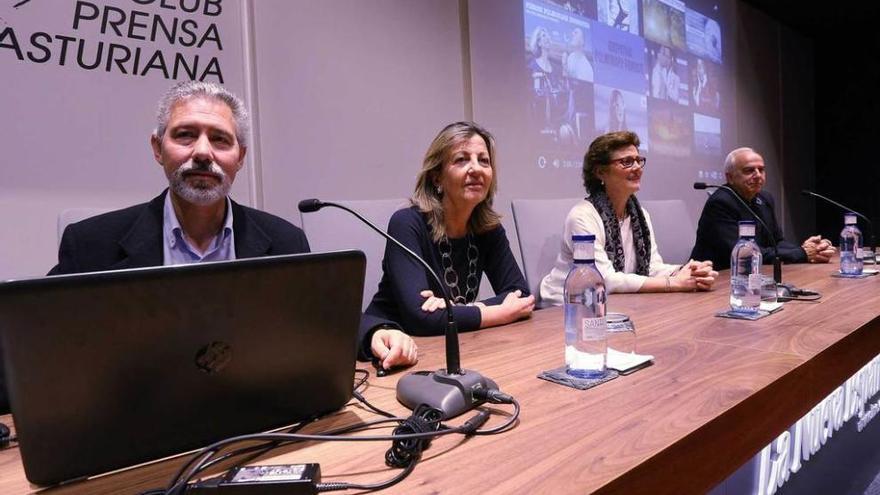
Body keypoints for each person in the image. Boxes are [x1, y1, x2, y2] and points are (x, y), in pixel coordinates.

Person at [46, 81, 416, 369]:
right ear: (158, 148)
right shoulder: (91, 244)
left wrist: (375, 332)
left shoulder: (284, 239)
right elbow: (41, 344)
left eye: (220, 139)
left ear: (239, 157)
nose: (203, 152)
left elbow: (319, 320)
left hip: (252, 415)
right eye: (185, 135)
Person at [361, 122, 535, 342]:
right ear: (437, 177)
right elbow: (421, 318)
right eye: (462, 159)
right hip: (392, 345)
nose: (476, 169)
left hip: (450, 343)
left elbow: (521, 296)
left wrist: (458, 310)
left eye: (484, 160)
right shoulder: (406, 223)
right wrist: (495, 312)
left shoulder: (488, 229)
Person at [540, 131, 717, 303]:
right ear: (600, 172)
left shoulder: (640, 215)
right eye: (627, 162)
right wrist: (674, 283)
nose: (637, 168)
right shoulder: (582, 217)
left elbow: (652, 268)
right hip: (567, 306)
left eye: (639, 160)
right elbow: (603, 280)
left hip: (611, 303)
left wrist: (688, 271)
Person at [691, 147, 835, 270]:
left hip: (754, 273)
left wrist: (807, 249)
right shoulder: (721, 202)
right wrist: (801, 254)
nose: (758, 175)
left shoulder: (765, 198)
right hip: (718, 276)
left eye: (761, 170)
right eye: (749, 170)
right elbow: (744, 254)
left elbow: (777, 242)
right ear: (730, 178)